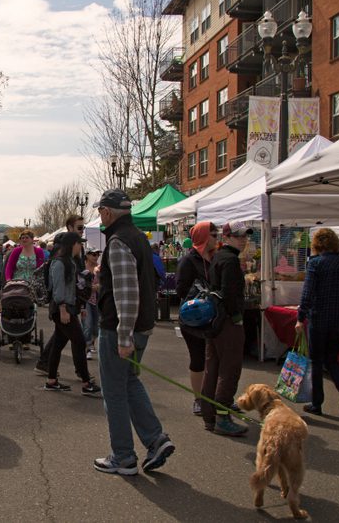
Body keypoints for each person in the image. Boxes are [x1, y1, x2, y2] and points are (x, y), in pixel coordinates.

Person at [91, 190, 174, 476]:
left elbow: (127, 293)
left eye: (101, 210)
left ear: (107, 212)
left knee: (114, 392)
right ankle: (155, 439)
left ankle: (123, 456)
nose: (100, 216)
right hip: (139, 326)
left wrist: (124, 336)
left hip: (120, 329)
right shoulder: (138, 237)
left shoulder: (118, 241)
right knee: (129, 382)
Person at [294, 228, 339, 418]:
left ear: (316, 244)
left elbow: (307, 294)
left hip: (319, 317)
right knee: (332, 358)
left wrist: (300, 317)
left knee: (316, 360)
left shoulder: (315, 264)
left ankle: (317, 403)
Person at [201, 221, 252, 436]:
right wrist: (237, 317)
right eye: (239, 236)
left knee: (213, 367)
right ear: (228, 237)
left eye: (245, 236)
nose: (243, 240)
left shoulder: (219, 257)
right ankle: (221, 416)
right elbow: (230, 294)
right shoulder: (229, 260)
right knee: (228, 370)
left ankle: (210, 414)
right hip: (227, 321)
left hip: (216, 321)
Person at [44, 231, 100, 395]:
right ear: (71, 245)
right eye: (78, 243)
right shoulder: (60, 263)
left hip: (68, 308)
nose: (80, 246)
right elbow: (59, 288)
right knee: (80, 342)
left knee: (58, 344)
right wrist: (63, 309)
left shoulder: (69, 262)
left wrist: (79, 307)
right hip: (62, 308)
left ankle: (51, 380)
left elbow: (73, 288)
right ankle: (86, 383)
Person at [175, 221, 219, 417]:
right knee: (198, 358)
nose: (216, 238)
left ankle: (215, 396)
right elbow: (180, 289)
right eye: (213, 234)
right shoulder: (188, 260)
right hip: (193, 319)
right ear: (203, 236)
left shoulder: (216, 258)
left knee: (215, 359)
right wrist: (199, 297)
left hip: (213, 318)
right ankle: (199, 399)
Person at [81, 248, 101, 360]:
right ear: (87, 255)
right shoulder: (81, 267)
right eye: (93, 254)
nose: (96, 256)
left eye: (97, 254)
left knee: (96, 327)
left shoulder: (100, 268)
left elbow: (105, 283)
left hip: (97, 299)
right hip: (85, 300)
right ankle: (87, 347)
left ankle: (91, 342)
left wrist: (99, 286)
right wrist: (88, 287)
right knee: (87, 325)